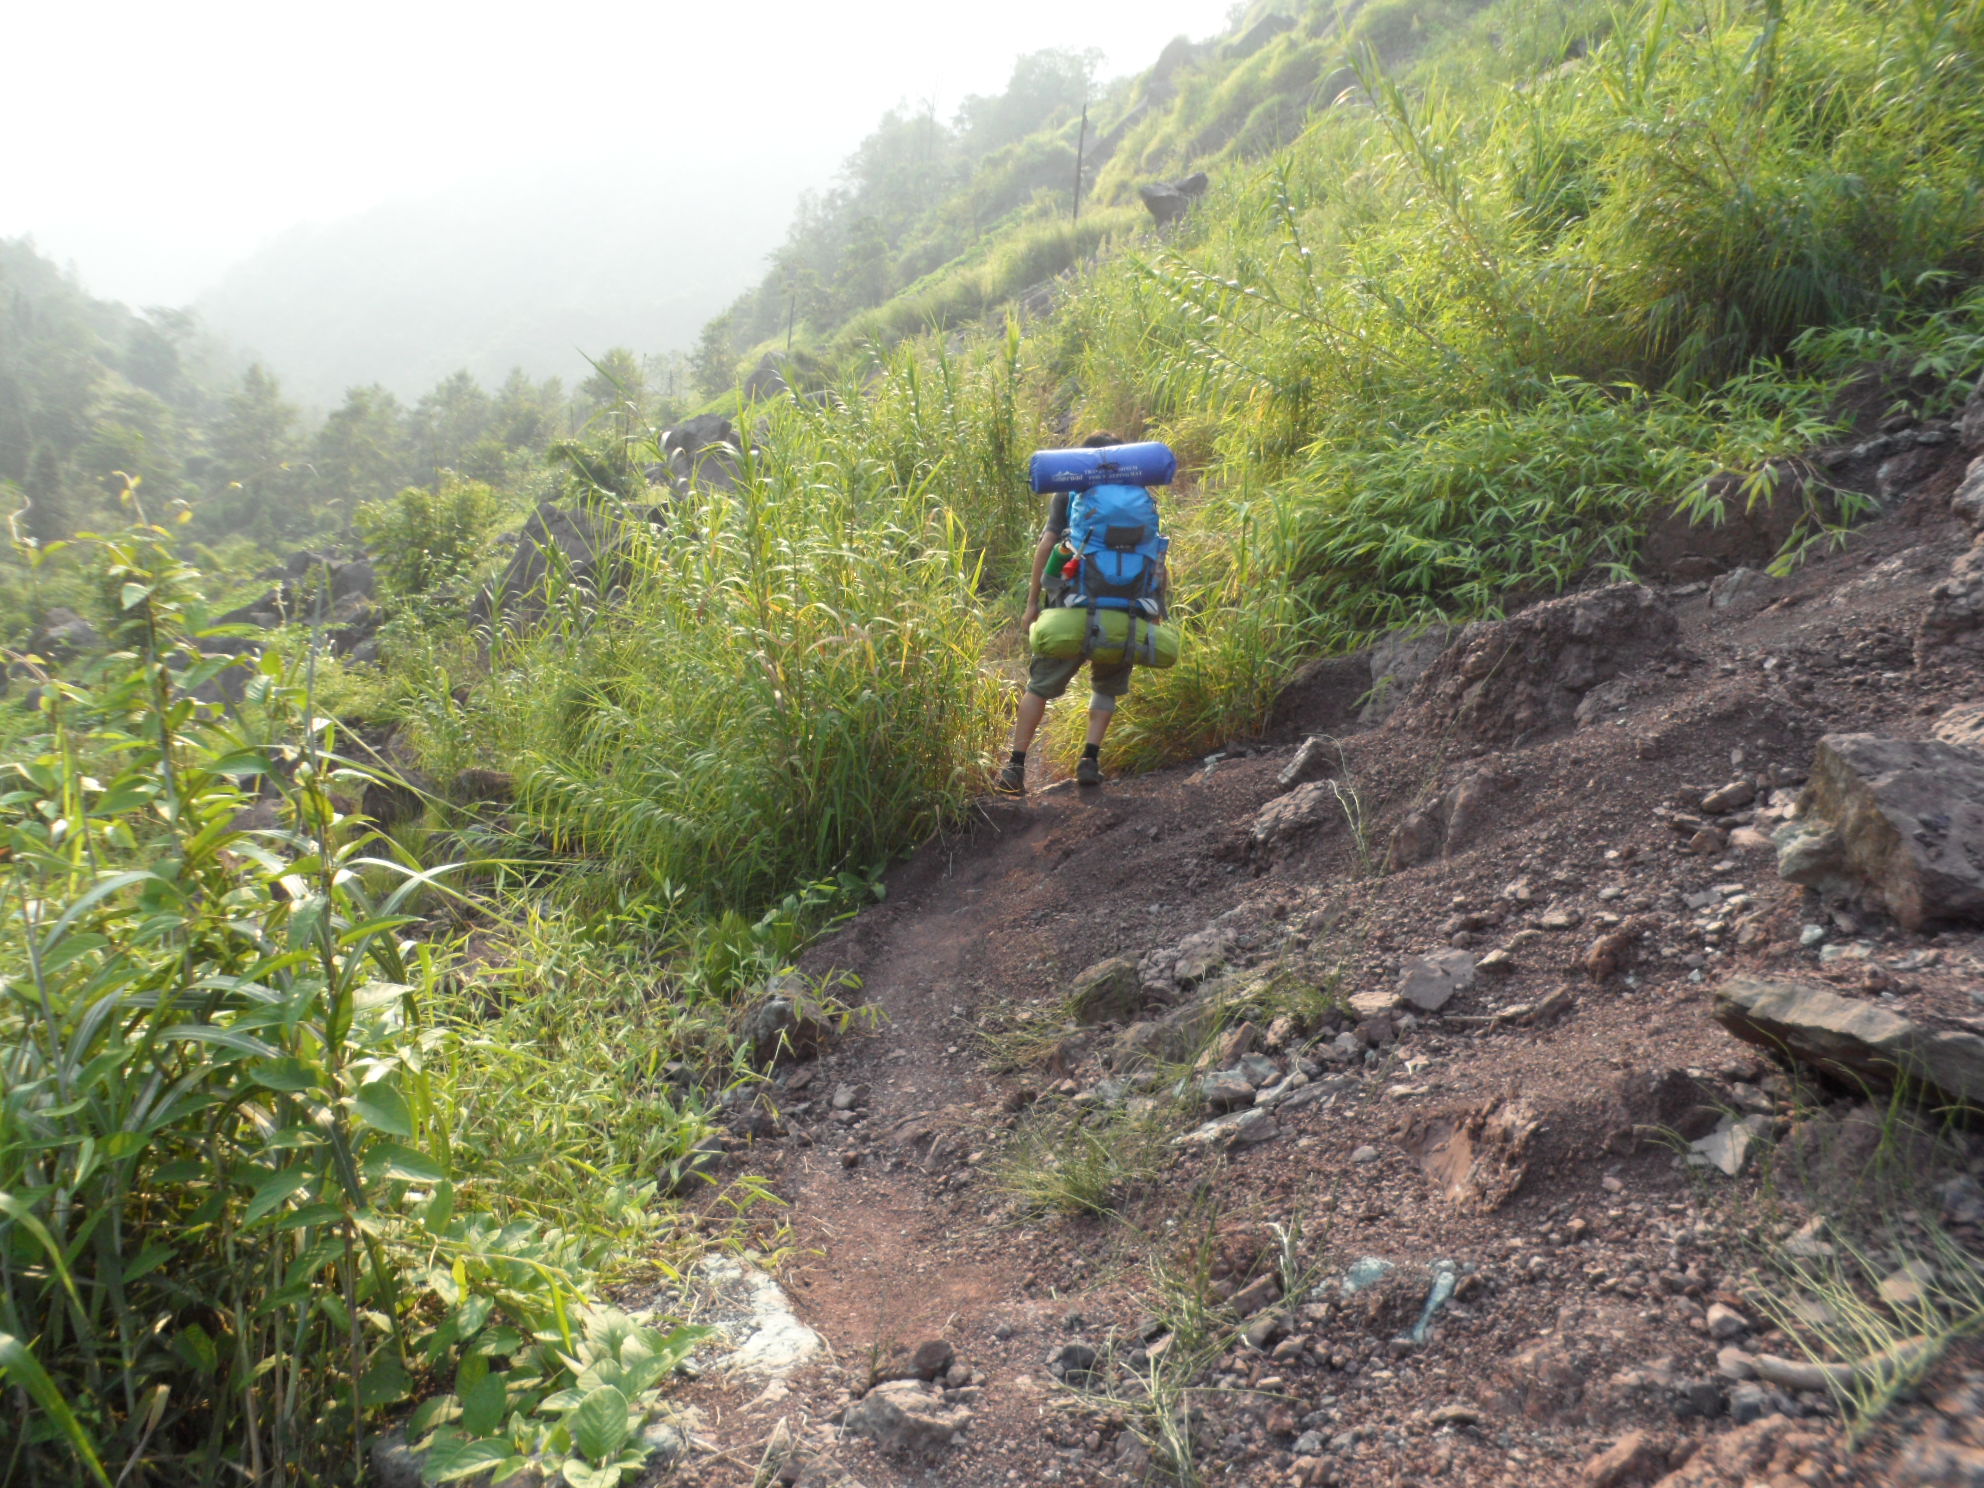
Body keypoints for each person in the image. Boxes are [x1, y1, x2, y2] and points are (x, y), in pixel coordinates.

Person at [996, 432, 1166, 794]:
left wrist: (1032, 603)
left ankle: (1015, 767)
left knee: (1039, 685)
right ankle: (1090, 759)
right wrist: (1156, 605)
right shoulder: (1138, 491)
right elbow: (1156, 556)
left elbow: (1048, 544)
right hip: (1126, 609)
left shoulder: (1071, 489)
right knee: (1106, 687)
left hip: (1072, 607)